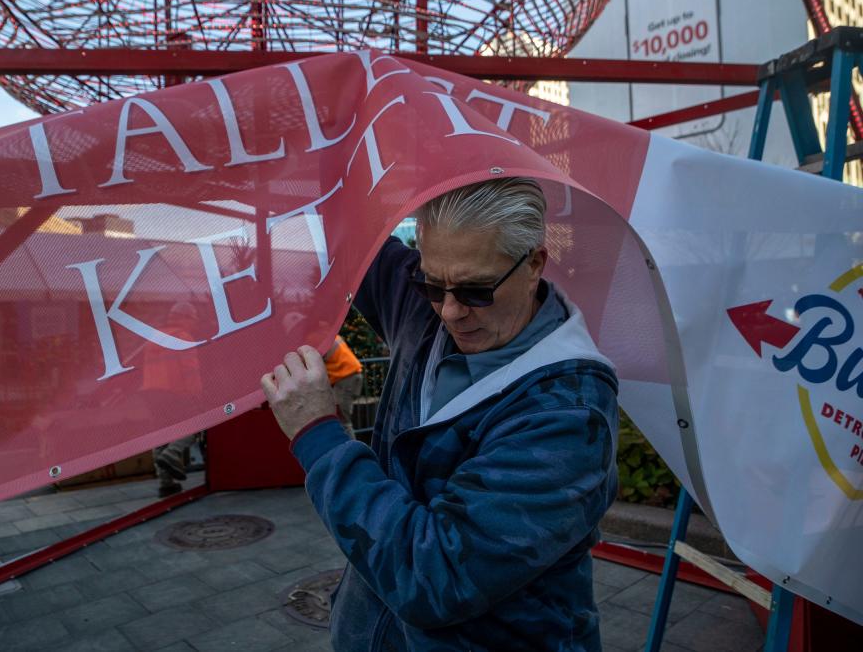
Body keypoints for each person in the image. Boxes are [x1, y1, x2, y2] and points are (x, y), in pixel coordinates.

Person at [261, 177, 619, 651]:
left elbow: (435, 577)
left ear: (534, 263)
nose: (449, 312)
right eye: (431, 282)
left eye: (475, 291)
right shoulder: (425, 304)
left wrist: (318, 436)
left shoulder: (569, 412)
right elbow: (344, 224)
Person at [143, 302, 202, 498]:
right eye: (193, 319)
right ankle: (173, 453)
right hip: (174, 392)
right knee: (194, 426)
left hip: (151, 393)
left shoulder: (154, 337)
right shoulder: (183, 337)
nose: (194, 324)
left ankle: (165, 483)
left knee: (161, 435)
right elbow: (190, 371)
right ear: (185, 317)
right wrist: (197, 396)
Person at [323, 335, 363, 437]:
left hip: (345, 377)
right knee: (343, 416)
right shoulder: (332, 334)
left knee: (343, 419)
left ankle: (352, 450)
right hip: (353, 374)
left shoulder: (315, 338)